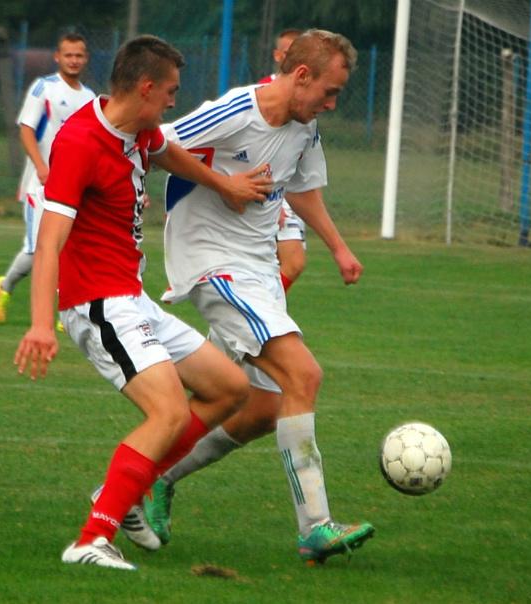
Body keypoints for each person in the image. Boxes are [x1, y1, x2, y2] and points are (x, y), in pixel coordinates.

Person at [13, 34, 273, 571]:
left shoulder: (139, 130)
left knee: (230, 388)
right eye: (171, 91)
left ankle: (124, 489)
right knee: (169, 411)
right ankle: (91, 540)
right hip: (97, 303)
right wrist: (40, 324)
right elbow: (49, 242)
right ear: (147, 87)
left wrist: (223, 185)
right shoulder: (80, 141)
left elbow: (169, 154)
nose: (175, 101)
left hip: (131, 298)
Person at [153, 29, 374, 566]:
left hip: (258, 271)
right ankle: (315, 527)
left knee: (261, 410)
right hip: (214, 265)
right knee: (304, 375)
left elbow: (302, 189)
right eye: (329, 91)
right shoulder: (235, 111)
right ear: (301, 75)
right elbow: (156, 144)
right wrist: (221, 183)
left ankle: (152, 477)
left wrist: (339, 248)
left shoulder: (304, 124)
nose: (331, 104)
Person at [0, 33, 95, 324]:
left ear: (86, 59)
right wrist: (41, 166)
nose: (74, 60)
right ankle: (4, 286)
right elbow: (26, 128)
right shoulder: (44, 88)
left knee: (70, 248)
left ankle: (67, 311)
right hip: (41, 185)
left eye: (79, 55)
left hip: (72, 186)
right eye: (68, 55)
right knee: (38, 248)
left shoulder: (89, 98)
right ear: (57, 57)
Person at [259, 28, 307, 291]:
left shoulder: (308, 96)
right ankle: (262, 312)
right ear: (277, 56)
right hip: (272, 190)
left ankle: (261, 311)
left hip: (290, 189)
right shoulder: (265, 92)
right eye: (289, 52)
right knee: (294, 262)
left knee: (282, 265)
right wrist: (271, 201)